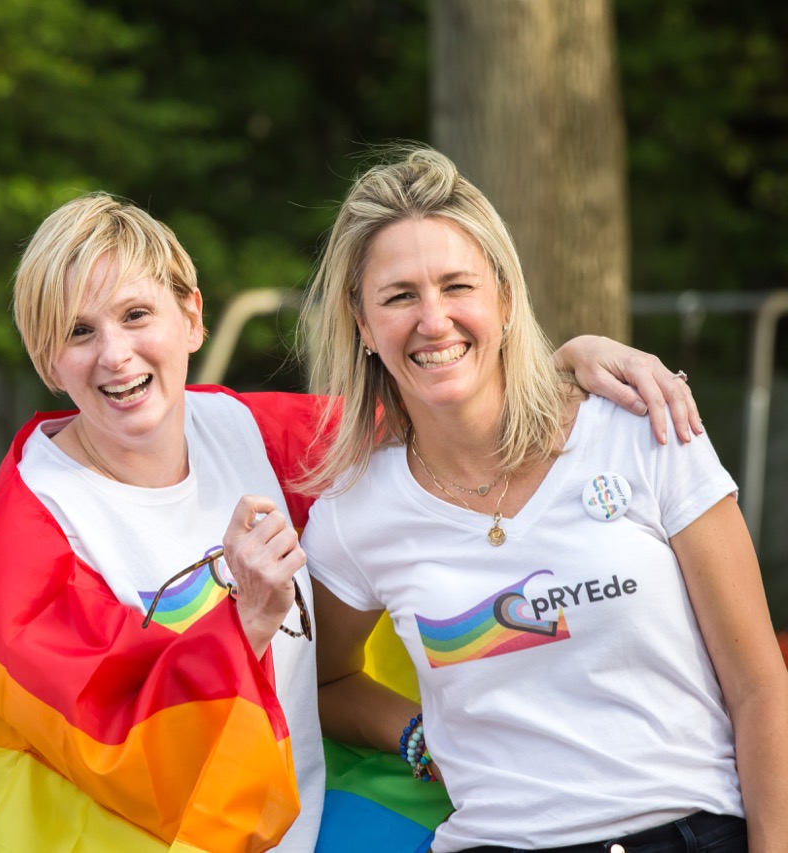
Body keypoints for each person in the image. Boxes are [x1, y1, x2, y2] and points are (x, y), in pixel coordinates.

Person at [0, 191, 702, 852]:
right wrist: (247, 627)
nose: (116, 355)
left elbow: (445, 403)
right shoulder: (31, 530)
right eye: (78, 332)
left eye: (137, 314)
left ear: (191, 317)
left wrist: (569, 363)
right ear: (43, 356)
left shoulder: (250, 435)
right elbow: (112, 740)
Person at [300, 146, 788, 852]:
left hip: (687, 831)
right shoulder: (356, 514)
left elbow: (760, 687)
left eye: (456, 285)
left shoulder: (643, 428)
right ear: (362, 323)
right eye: (400, 295)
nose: (433, 320)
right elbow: (317, 679)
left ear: (503, 296)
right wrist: (412, 734)